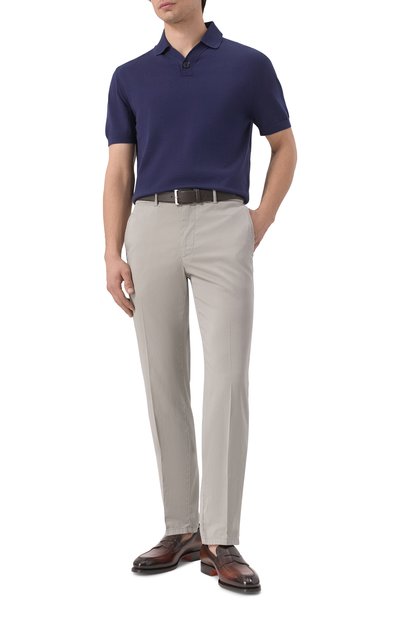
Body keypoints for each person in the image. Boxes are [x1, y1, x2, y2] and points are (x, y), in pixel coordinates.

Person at [103, 0, 297, 594]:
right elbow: (119, 170)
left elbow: (285, 146)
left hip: (223, 221)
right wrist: (112, 252)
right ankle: (181, 528)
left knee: (228, 378)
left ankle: (222, 536)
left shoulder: (248, 65)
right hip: (150, 225)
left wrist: (260, 219)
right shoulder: (130, 76)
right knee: (163, 378)